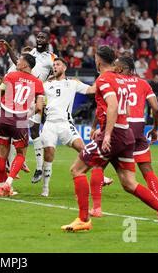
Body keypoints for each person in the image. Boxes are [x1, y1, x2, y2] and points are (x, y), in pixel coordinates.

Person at [61, 46, 158, 234]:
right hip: (127, 135)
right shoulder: (120, 80)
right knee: (129, 183)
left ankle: (83, 219)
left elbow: (113, 106)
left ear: (99, 61)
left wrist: (106, 134)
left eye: (95, 58)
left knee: (77, 170)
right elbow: (102, 97)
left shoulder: (105, 78)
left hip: (114, 133)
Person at [87, 56, 158, 217]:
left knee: (98, 165)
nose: (113, 67)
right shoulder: (143, 83)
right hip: (138, 127)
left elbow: (104, 106)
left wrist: (96, 127)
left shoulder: (114, 80)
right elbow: (156, 108)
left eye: (115, 65)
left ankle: (97, 208)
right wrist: (155, 129)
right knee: (147, 170)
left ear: (121, 68)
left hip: (120, 126)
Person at [35, 58, 112, 197]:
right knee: (49, 153)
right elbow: (36, 94)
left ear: (64, 68)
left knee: (84, 149)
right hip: (50, 123)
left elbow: (92, 90)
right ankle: (45, 189)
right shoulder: (46, 85)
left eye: (58, 64)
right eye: (53, 65)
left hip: (66, 123)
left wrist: (103, 74)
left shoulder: (72, 83)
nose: (55, 67)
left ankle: (101, 177)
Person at [0, 32, 57, 180]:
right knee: (20, 128)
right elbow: (18, 62)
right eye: (38, 37)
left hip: (38, 94)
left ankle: (37, 167)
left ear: (48, 41)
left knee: (34, 129)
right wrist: (9, 48)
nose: (39, 39)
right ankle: (16, 162)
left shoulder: (51, 57)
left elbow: (59, 68)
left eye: (43, 37)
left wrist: (51, 79)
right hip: (26, 95)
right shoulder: (31, 53)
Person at [0, 53, 44, 197]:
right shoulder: (38, 82)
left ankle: (0, 188)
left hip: (4, 118)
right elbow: (40, 107)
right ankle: (8, 184)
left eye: (20, 59)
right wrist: (26, 115)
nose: (17, 61)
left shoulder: (10, 76)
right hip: (20, 119)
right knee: (21, 154)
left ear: (26, 65)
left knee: (2, 155)